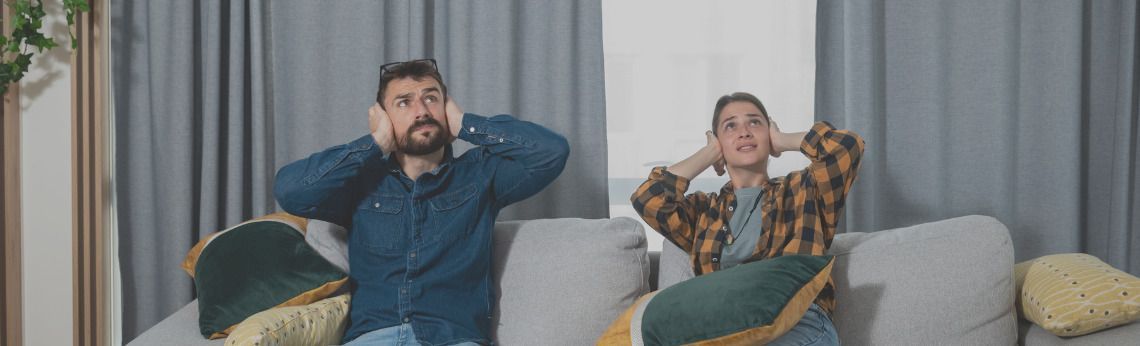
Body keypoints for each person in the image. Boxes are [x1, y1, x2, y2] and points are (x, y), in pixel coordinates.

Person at [274, 58, 570, 345]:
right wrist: (374, 143)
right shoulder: (359, 181)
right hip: (372, 338)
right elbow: (290, 191)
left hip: (453, 339)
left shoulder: (480, 174)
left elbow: (552, 152)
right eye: (404, 102)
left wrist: (466, 124)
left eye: (431, 99)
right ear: (383, 117)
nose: (421, 111)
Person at [630, 92, 864, 345]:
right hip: (727, 330)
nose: (744, 131)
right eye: (730, 126)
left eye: (755, 122)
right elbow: (648, 199)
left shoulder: (805, 189)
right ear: (719, 144)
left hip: (796, 323)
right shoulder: (702, 212)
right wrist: (707, 155)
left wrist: (783, 140)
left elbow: (847, 148)